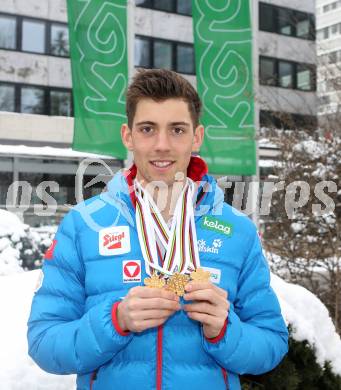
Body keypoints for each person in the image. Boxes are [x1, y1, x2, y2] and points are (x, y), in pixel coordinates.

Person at [27, 68, 288, 390]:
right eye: (148, 129)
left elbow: (271, 345)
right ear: (128, 135)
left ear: (197, 136)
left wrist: (225, 329)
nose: (162, 145)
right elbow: (44, 343)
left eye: (177, 130)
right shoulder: (83, 225)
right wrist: (116, 321)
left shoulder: (237, 231)